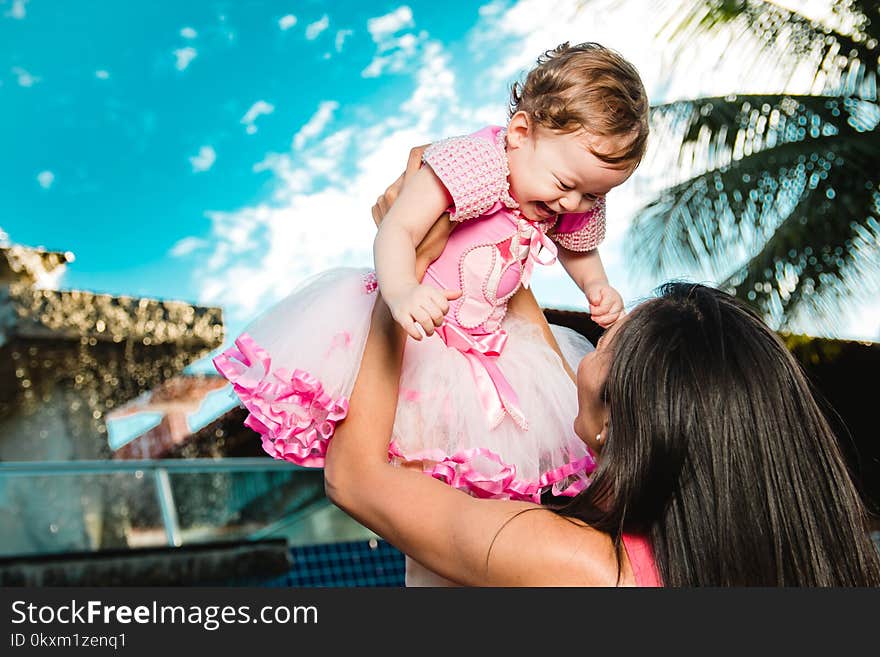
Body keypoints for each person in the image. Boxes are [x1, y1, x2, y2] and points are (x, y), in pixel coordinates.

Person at [214, 41, 649, 584]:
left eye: (592, 196)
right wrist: (401, 291)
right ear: (518, 133)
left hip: (490, 344)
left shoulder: (559, 188)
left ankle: (444, 560)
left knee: (478, 474)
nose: (573, 207)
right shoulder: (474, 163)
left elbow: (578, 246)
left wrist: (597, 285)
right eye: (567, 187)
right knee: (416, 465)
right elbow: (398, 227)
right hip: (426, 331)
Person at [323, 255, 880, 586]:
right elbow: (549, 367)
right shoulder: (805, 548)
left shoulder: (582, 566)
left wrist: (403, 278)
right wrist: (497, 247)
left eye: (602, 344)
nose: (582, 353)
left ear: (624, 427)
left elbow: (355, 479)